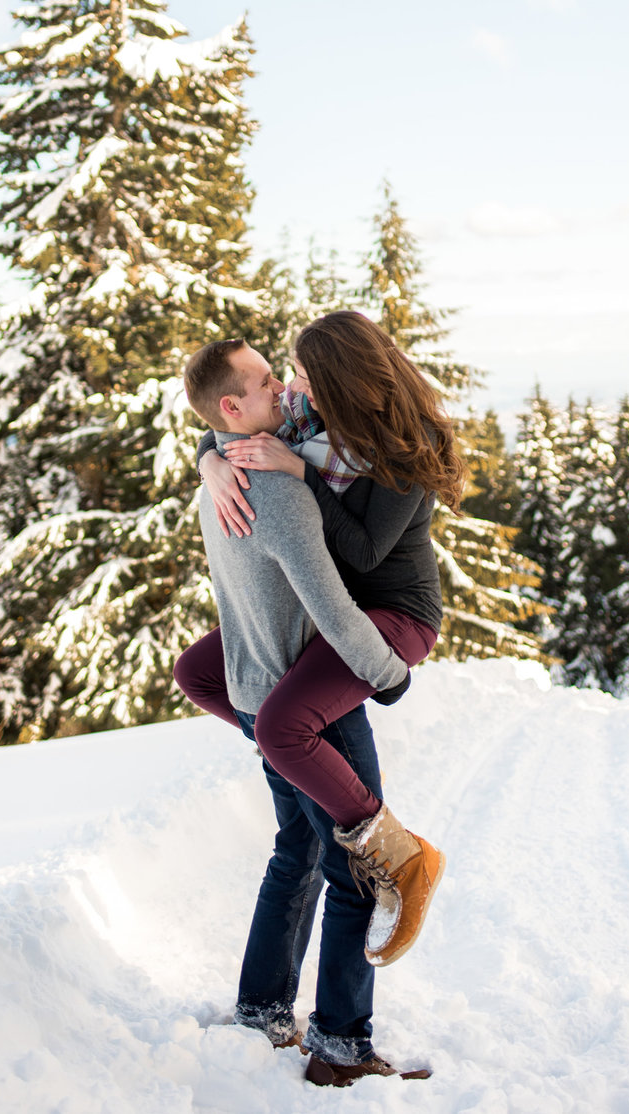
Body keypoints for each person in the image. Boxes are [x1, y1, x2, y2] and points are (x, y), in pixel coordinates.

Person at [175, 314, 462, 1085]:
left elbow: (364, 552)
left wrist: (296, 478)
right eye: (285, 374)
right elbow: (230, 422)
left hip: (388, 614)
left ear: (340, 380)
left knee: (285, 734)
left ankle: (385, 857)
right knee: (212, 676)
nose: (291, 386)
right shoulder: (310, 415)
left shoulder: (408, 452)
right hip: (327, 617)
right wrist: (213, 462)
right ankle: (274, 1010)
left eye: (299, 373)